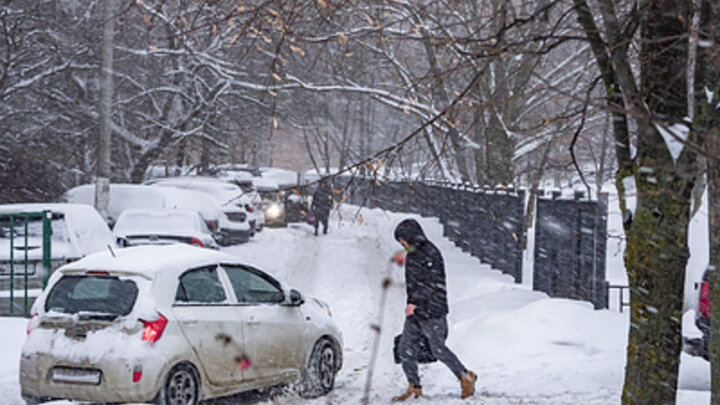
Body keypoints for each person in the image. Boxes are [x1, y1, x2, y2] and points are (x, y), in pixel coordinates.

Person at [392, 218, 476, 401]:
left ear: (410, 236)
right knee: (405, 348)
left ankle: (465, 377)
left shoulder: (429, 253)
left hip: (432, 311)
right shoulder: (414, 253)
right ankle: (414, 387)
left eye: (402, 239)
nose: (401, 243)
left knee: (438, 349)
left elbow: (431, 285)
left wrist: (417, 304)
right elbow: (415, 284)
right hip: (416, 312)